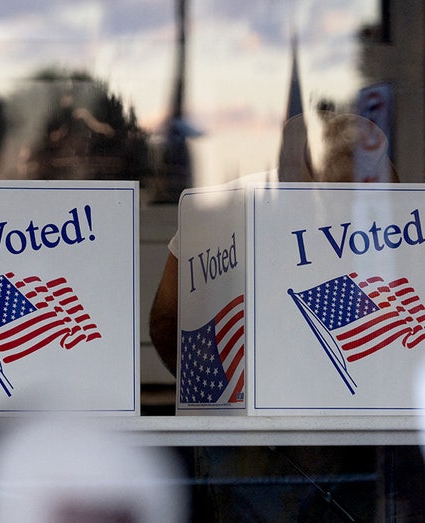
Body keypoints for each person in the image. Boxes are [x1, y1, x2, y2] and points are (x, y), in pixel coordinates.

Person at [148, 112, 419, 521]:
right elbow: (169, 322)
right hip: (260, 446)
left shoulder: (216, 211)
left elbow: (167, 322)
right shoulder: (223, 213)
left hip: (322, 437)